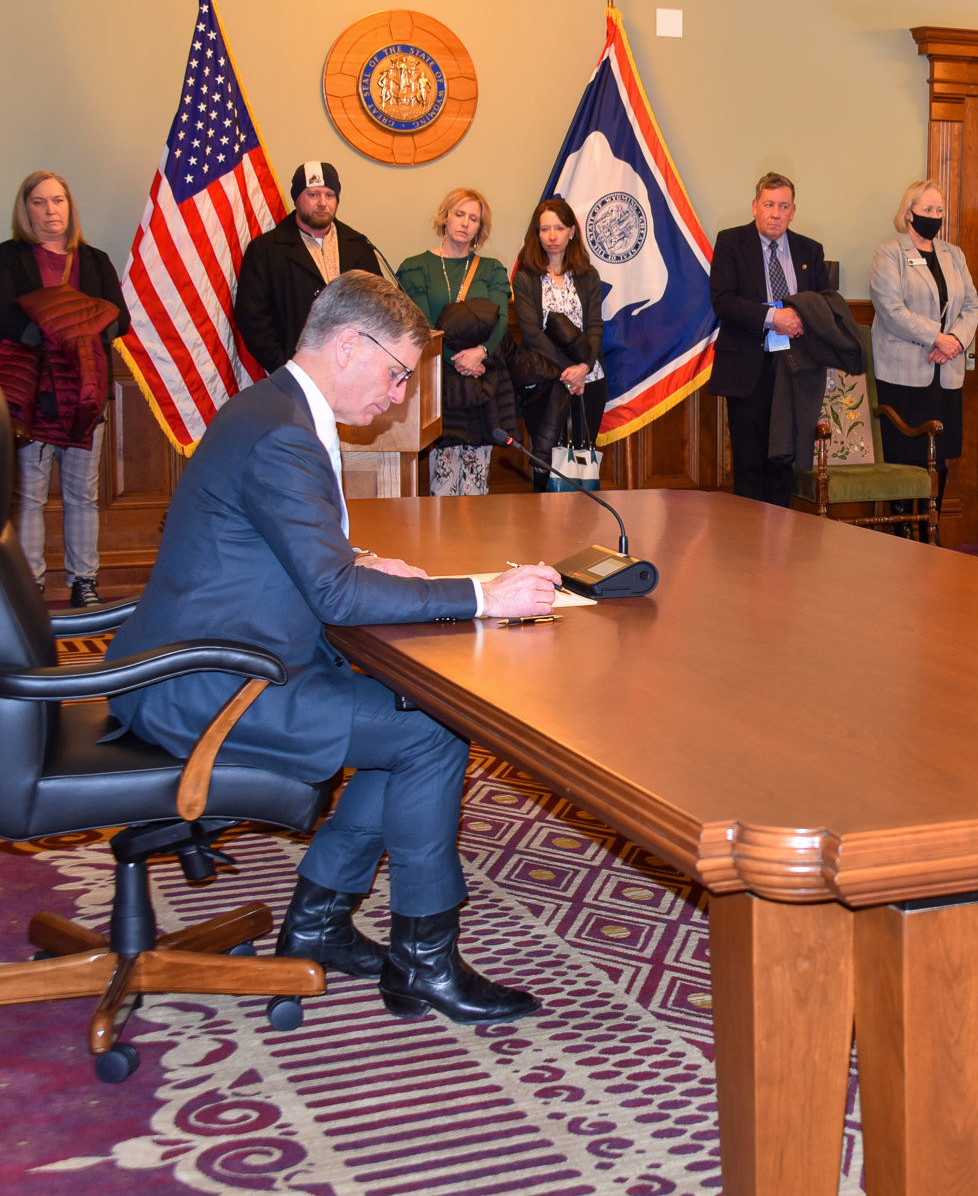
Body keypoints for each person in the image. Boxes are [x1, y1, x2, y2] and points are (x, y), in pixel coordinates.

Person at [106, 272, 561, 1023]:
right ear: (350, 345)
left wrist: (353, 559)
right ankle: (422, 959)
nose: (398, 396)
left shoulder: (270, 406)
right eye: (396, 374)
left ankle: (319, 923)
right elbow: (335, 600)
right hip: (206, 683)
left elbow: (289, 554)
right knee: (430, 730)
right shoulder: (285, 431)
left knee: (414, 710)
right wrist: (484, 594)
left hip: (204, 654)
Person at [0, 171, 132, 606]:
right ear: (26, 209)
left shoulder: (94, 260)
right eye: (39, 202)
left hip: (85, 396)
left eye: (57, 200)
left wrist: (75, 326)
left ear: (69, 206)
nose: (50, 210)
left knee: (82, 494)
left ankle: (83, 582)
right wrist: (66, 327)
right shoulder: (8, 259)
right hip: (32, 395)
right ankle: (31, 585)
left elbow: (119, 320)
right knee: (30, 494)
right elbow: (8, 320)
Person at [706, 173, 826, 506]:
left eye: (783, 206)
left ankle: (779, 545)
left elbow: (825, 300)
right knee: (750, 462)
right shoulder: (731, 242)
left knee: (782, 461)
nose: (775, 213)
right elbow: (723, 301)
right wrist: (775, 318)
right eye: (769, 204)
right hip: (748, 366)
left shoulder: (809, 250)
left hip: (793, 368)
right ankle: (748, 547)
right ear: (755, 206)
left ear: (793, 210)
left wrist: (802, 318)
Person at [869, 181, 978, 505]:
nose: (934, 216)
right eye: (927, 210)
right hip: (903, 374)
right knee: (905, 454)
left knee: (940, 453)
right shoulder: (889, 252)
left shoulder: (953, 254)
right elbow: (890, 309)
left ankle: (931, 525)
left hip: (945, 374)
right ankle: (906, 532)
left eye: (939, 210)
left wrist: (956, 341)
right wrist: (937, 337)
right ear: (908, 213)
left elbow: (972, 305)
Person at [396, 189, 512, 496]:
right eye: (459, 214)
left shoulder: (492, 269)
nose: (465, 223)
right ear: (445, 216)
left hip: (481, 382)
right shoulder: (416, 267)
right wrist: (458, 360)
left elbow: (501, 319)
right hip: (438, 382)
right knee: (443, 478)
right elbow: (422, 325)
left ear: (480, 227)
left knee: (476, 479)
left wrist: (480, 353)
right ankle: (440, 545)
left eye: (473, 218)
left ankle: (475, 545)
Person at [235, 161, 382, 373]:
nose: (322, 203)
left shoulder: (359, 246)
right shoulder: (265, 250)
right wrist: (285, 367)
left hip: (352, 370)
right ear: (297, 199)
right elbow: (252, 319)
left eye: (329, 195)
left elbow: (377, 308)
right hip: (295, 373)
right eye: (313, 195)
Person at [510, 198, 605, 491]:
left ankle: (581, 534)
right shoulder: (526, 277)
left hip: (589, 381)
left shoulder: (588, 276)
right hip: (545, 382)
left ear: (572, 232)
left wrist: (583, 368)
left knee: (579, 465)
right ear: (536, 234)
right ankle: (543, 536)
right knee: (546, 467)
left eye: (559, 228)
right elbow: (531, 333)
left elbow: (594, 327)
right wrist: (569, 370)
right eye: (545, 229)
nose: (552, 236)